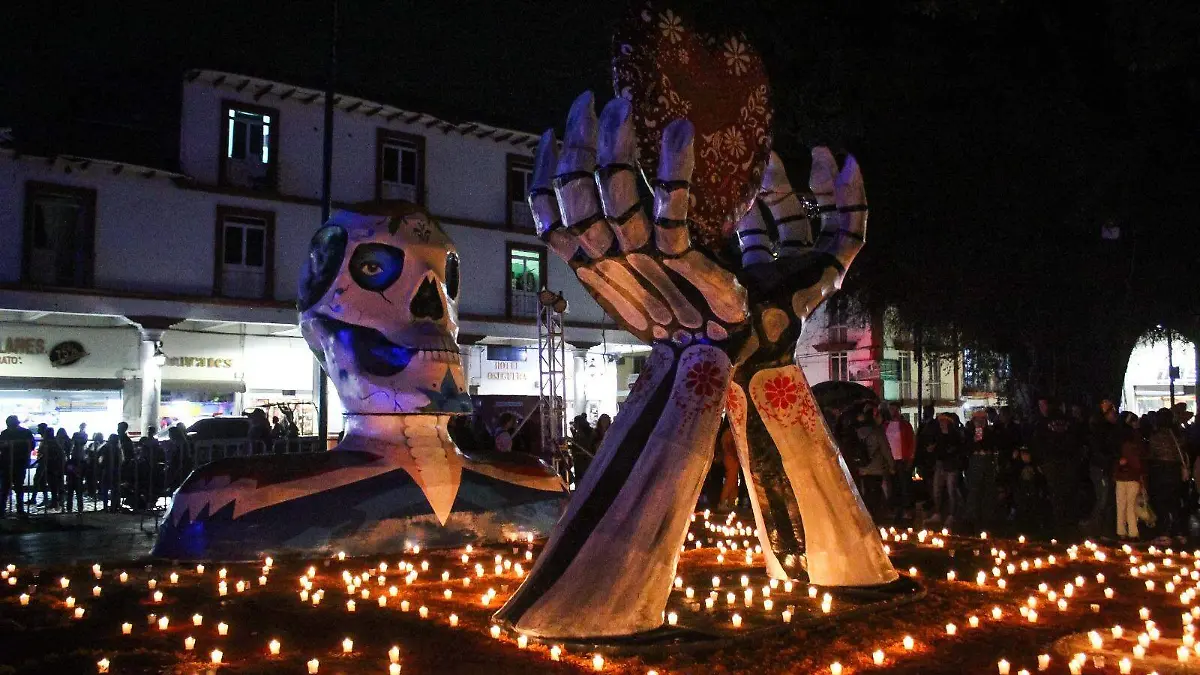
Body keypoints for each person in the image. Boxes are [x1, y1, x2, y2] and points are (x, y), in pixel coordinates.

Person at [1146, 408, 1187, 544]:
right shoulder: (1176, 434)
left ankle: (1165, 531)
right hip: (1175, 470)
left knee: (1161, 501)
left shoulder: (1156, 435)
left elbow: (1152, 453)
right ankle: (1178, 532)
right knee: (1174, 502)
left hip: (1161, 470)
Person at [962, 408, 1000, 529]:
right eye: (978, 419)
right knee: (974, 489)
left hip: (987, 461)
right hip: (975, 461)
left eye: (983, 419)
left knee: (988, 489)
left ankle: (987, 516)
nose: (981, 421)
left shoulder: (990, 432)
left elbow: (991, 445)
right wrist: (977, 434)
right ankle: (972, 517)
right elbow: (971, 446)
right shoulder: (969, 432)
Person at [856, 404, 895, 520]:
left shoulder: (858, 431)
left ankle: (867, 515)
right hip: (876, 468)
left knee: (866, 492)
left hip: (862, 468)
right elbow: (885, 449)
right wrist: (892, 465)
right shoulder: (877, 431)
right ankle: (875, 517)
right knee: (876, 492)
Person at [1114, 412, 1146, 540]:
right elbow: (1140, 458)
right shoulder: (1136, 438)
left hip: (1120, 475)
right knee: (1131, 505)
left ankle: (1121, 531)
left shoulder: (1116, 437)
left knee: (1120, 504)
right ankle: (1133, 532)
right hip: (1133, 476)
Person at [929, 413, 964, 525]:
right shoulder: (937, 434)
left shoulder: (954, 435)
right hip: (940, 464)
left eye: (944, 422)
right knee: (936, 490)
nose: (941, 424)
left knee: (951, 490)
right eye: (940, 422)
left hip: (951, 465)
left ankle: (951, 515)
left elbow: (958, 448)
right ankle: (937, 513)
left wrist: (951, 450)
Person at [884, 402, 915, 522]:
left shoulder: (905, 425)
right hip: (890, 459)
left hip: (902, 459)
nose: (892, 411)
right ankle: (895, 508)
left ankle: (906, 509)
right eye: (890, 409)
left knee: (904, 484)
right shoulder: (886, 424)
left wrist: (910, 458)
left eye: (894, 409)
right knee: (893, 485)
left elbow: (912, 441)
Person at [0, 416, 35, 517]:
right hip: (18, 463)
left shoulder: (6, 433)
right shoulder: (25, 433)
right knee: (17, 488)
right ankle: (19, 509)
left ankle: (3, 510)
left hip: (10, 463)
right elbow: (32, 445)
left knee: (6, 488)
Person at [717, 423, 740, 511]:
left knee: (734, 480)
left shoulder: (729, 432)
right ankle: (722, 502)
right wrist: (735, 455)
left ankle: (731, 502)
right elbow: (728, 446)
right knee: (730, 480)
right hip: (730, 458)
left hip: (732, 458)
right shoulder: (728, 432)